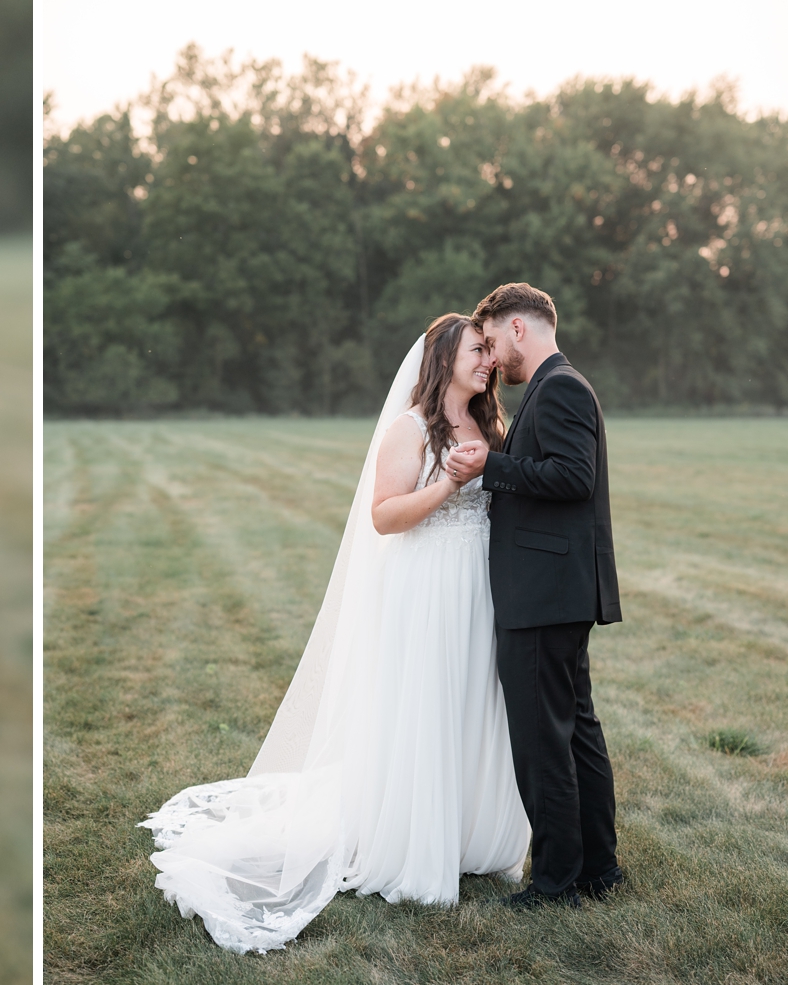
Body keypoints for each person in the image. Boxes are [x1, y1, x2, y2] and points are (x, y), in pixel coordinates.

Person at [141, 313, 530, 953]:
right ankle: (411, 840)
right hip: (426, 586)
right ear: (442, 361)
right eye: (476, 350)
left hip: (478, 588)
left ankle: (470, 835)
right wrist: (449, 484)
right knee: (425, 708)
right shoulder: (409, 429)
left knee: (474, 705)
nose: (488, 361)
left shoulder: (491, 426)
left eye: (489, 351)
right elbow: (384, 516)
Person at [448, 283, 624, 907]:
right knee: (574, 731)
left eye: (493, 342)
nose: (492, 357)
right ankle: (598, 869)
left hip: (544, 593)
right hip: (554, 589)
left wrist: (489, 469)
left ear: (518, 328)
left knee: (543, 741)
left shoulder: (561, 387)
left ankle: (555, 883)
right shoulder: (555, 387)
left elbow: (573, 477)